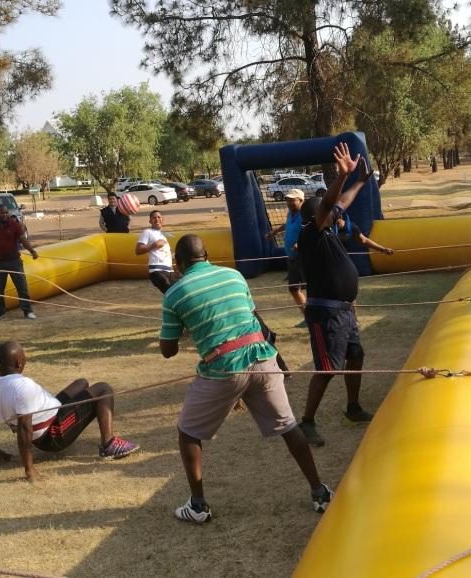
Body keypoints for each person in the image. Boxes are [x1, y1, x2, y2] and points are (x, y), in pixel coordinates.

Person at [159, 234, 332, 523]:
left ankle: (198, 506)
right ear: (208, 254)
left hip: (223, 369)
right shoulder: (234, 275)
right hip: (263, 360)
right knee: (289, 426)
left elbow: (168, 350)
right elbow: (254, 318)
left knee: (188, 432)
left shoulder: (175, 294)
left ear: (177, 262)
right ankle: (320, 492)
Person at [295, 143, 376, 447]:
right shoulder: (310, 233)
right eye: (327, 211)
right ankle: (306, 422)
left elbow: (341, 201)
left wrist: (360, 181)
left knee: (356, 356)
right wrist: (341, 175)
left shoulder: (327, 228)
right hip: (325, 314)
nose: (335, 212)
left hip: (344, 310)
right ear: (318, 215)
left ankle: (352, 408)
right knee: (327, 369)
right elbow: (331, 201)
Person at [0, 341, 139, 481]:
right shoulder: (22, 386)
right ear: (20, 363)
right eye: (24, 357)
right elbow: (25, 428)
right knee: (104, 389)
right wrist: (29, 470)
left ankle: (107, 440)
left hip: (52, 409)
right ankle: (109, 444)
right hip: (53, 433)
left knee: (81, 383)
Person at [0, 205, 39, 320]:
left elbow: (23, 239)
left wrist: (32, 251)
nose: (5, 215)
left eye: (6, 212)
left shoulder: (15, 225)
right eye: (2, 213)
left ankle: (27, 311)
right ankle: (0, 312)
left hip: (15, 262)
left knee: (22, 287)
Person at [265, 188, 307, 325]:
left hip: (304, 258)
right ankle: (308, 317)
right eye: (287, 200)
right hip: (291, 257)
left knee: (312, 289)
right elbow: (287, 225)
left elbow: (311, 231)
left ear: (301, 200)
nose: (289, 202)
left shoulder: (306, 214)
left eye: (292, 200)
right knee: (294, 289)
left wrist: (300, 244)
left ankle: (315, 317)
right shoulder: (291, 213)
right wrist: (275, 232)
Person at [135, 210, 178, 294]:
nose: (157, 219)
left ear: (162, 219)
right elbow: (138, 250)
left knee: (177, 292)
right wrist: (153, 245)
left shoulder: (163, 235)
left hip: (169, 270)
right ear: (150, 221)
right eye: (154, 218)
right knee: (171, 293)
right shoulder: (147, 232)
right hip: (157, 270)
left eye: (159, 217)